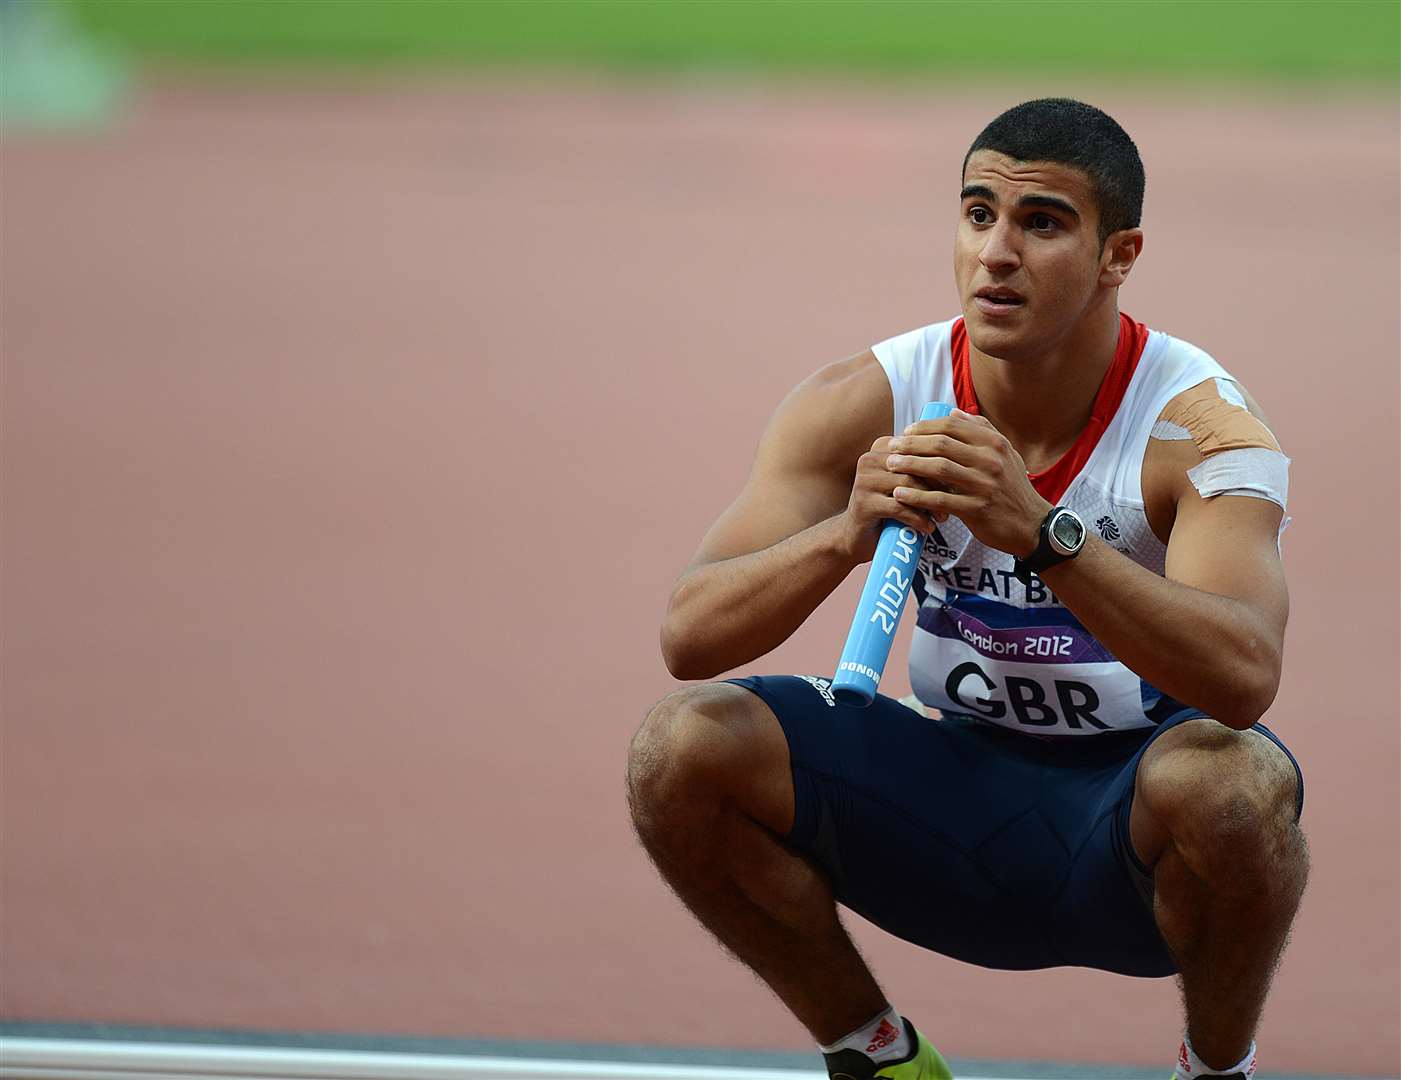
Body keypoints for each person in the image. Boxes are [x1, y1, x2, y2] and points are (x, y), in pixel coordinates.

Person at [626, 98, 1307, 1080]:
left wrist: (1041, 534)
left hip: (1127, 824)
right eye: (977, 213)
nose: (995, 252)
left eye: (1041, 223)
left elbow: (1245, 678)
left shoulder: (1202, 431)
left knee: (1234, 782)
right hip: (944, 792)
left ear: (1120, 253)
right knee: (681, 748)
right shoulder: (864, 397)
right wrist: (845, 535)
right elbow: (689, 636)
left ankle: (1216, 1072)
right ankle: (880, 1057)